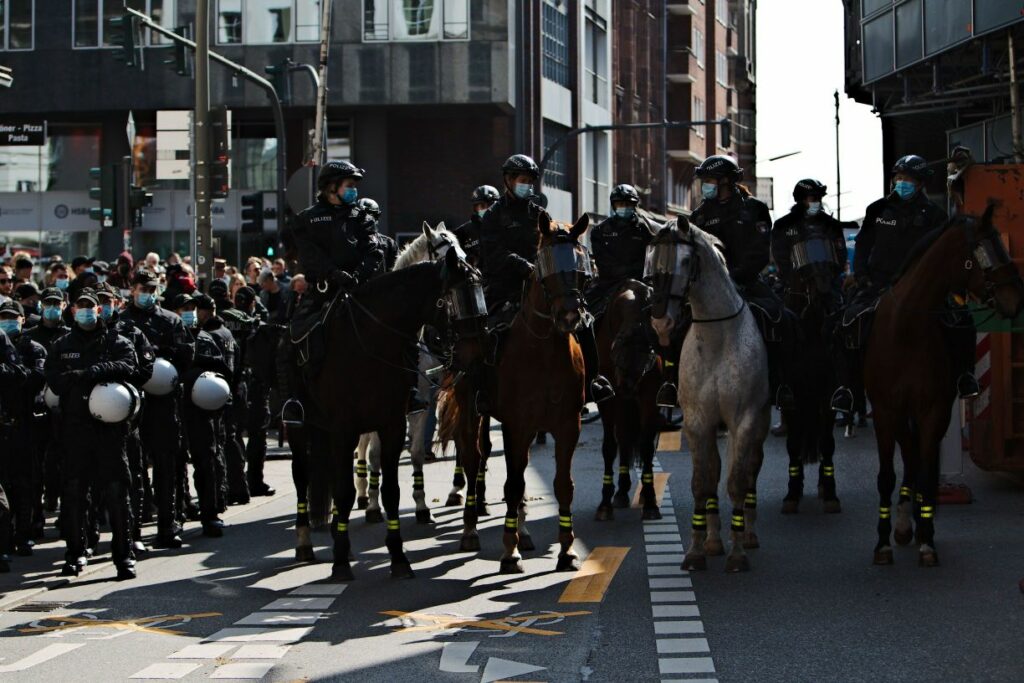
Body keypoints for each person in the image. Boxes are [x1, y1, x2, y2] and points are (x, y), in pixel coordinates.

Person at [477, 154, 614, 410]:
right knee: (488, 334)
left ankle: (592, 383)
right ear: (508, 181)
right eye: (522, 180)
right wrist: (523, 266)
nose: (527, 185)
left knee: (584, 323)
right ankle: (483, 392)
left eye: (530, 181)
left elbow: (549, 246)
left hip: (541, 285)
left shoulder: (539, 213)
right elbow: (493, 252)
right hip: (505, 287)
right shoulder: (494, 215)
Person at [833, 154, 967, 410]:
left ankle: (964, 377)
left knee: (961, 319)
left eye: (907, 178)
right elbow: (863, 245)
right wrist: (861, 276)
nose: (901, 182)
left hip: (923, 289)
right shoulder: (878, 210)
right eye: (898, 177)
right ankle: (847, 388)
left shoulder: (935, 216)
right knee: (848, 321)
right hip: (878, 285)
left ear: (919, 183)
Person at [682, 154, 795, 410]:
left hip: (746, 282)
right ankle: (671, 384)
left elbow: (759, 251)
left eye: (709, 180)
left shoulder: (754, 209)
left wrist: (736, 277)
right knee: (672, 320)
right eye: (704, 181)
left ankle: (781, 384)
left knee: (778, 317)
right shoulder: (698, 216)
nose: (705, 186)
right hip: (708, 289)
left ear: (725, 182)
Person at [44, 288, 138, 579]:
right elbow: (54, 380)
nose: (85, 311)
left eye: (91, 306)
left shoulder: (115, 340)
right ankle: (75, 553)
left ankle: (124, 556)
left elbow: (129, 367)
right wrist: (72, 377)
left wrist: (93, 371)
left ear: (99, 310)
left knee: (116, 492)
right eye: (80, 306)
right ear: (72, 311)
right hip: (76, 429)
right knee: (74, 493)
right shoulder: (62, 345)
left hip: (110, 430)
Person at [120, 271, 195, 548]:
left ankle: (168, 525)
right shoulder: (121, 322)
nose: (148, 292)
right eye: (143, 288)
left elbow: (186, 355)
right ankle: (134, 531)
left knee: (166, 467)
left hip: (165, 404)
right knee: (135, 469)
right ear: (132, 289)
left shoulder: (170, 320)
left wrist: (164, 360)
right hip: (135, 405)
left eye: (152, 288)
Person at [771, 179, 849, 409]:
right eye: (812, 198)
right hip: (795, 287)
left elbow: (841, 253)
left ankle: (845, 388)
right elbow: (781, 257)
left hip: (827, 286)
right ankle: (781, 387)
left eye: (818, 198)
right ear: (801, 200)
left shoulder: (830, 225)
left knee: (845, 327)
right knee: (777, 327)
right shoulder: (785, 225)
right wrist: (795, 280)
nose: (816, 202)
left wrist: (829, 277)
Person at [99, 284, 156, 553]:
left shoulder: (130, 333)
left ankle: (132, 534)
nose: (100, 307)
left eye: (106, 301)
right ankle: (87, 540)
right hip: (89, 421)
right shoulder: (75, 337)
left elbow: (144, 370)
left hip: (126, 419)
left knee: (131, 476)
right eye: (95, 303)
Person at [173, 293, 231, 537]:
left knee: (206, 461)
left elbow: (222, 369)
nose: (188, 312)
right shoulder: (170, 336)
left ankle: (210, 514)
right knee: (172, 465)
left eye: (192, 308)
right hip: (173, 410)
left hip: (201, 411)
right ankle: (175, 516)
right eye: (183, 308)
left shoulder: (205, 338)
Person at [0, 300, 47, 558]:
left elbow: (32, 378)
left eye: (11, 317)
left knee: (25, 483)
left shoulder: (32, 348)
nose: (7, 321)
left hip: (25, 422)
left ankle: (24, 533)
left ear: (21, 319)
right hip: (4, 423)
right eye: (2, 316)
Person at [209, 280, 255, 504]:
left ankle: (229, 487)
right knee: (233, 435)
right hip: (239, 382)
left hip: (220, 385)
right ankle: (238, 486)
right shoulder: (242, 318)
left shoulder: (214, 326)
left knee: (224, 437)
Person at [454, 185, 500, 266]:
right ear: (475, 208)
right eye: (482, 206)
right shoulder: (462, 233)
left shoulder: (507, 227)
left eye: (491, 205)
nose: (487, 209)